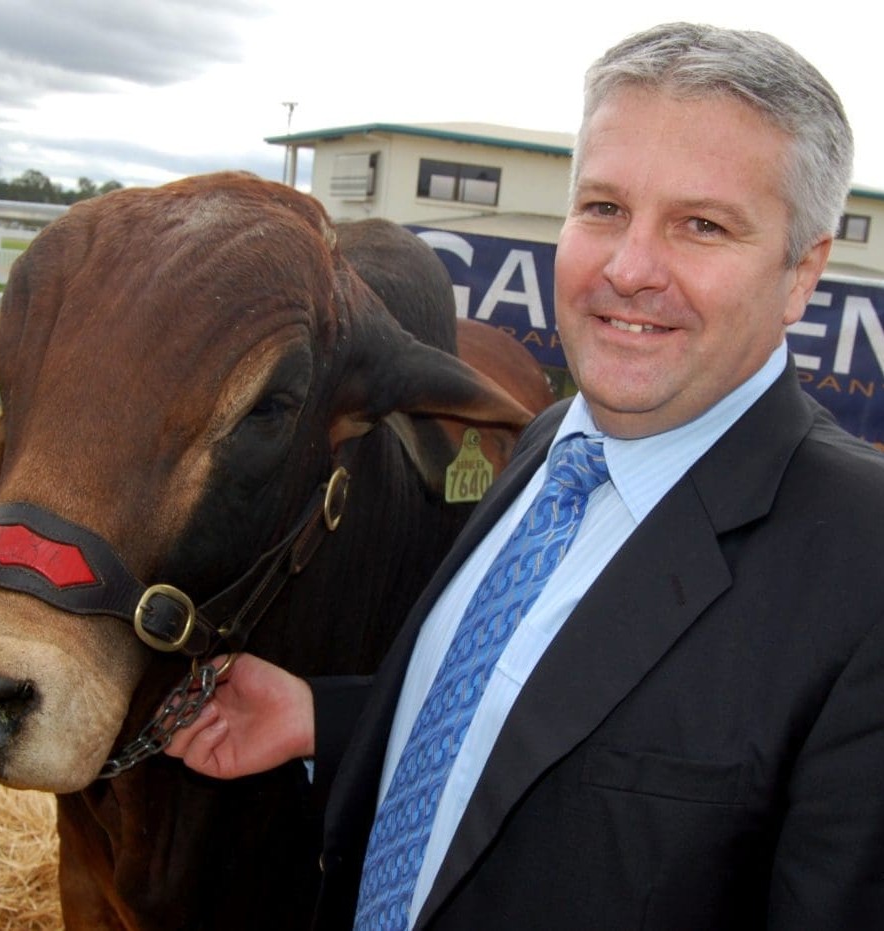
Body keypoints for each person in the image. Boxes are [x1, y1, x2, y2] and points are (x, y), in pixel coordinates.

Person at [166, 22, 884, 930]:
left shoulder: (863, 566)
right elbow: (543, 733)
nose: (628, 269)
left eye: (701, 225)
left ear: (800, 274)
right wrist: (328, 718)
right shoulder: (550, 444)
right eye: (603, 209)